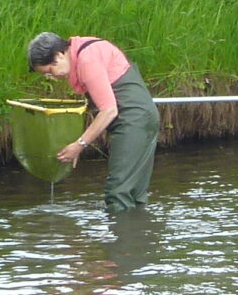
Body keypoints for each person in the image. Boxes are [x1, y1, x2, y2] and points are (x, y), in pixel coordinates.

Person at [29, 31, 160, 212]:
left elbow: (109, 110)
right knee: (135, 193)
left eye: (49, 71)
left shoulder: (87, 61)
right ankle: (138, 234)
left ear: (59, 55)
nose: (50, 77)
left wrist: (80, 145)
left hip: (134, 119)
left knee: (118, 192)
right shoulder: (83, 50)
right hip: (141, 117)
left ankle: (121, 238)